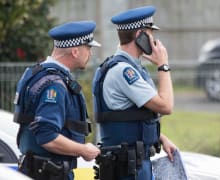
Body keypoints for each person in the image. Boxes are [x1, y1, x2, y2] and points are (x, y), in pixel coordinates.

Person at [92, 6, 177, 180]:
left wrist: (160, 137)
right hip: (128, 168)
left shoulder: (126, 67)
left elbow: (130, 116)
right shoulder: (124, 72)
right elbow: (166, 105)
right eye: (150, 33)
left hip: (130, 164)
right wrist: (163, 66)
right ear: (140, 35)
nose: (153, 40)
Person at [13, 21, 101, 180]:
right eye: (88, 48)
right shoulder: (54, 85)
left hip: (36, 171)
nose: (91, 54)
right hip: (50, 173)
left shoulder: (35, 73)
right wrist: (82, 149)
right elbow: (47, 136)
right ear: (75, 51)